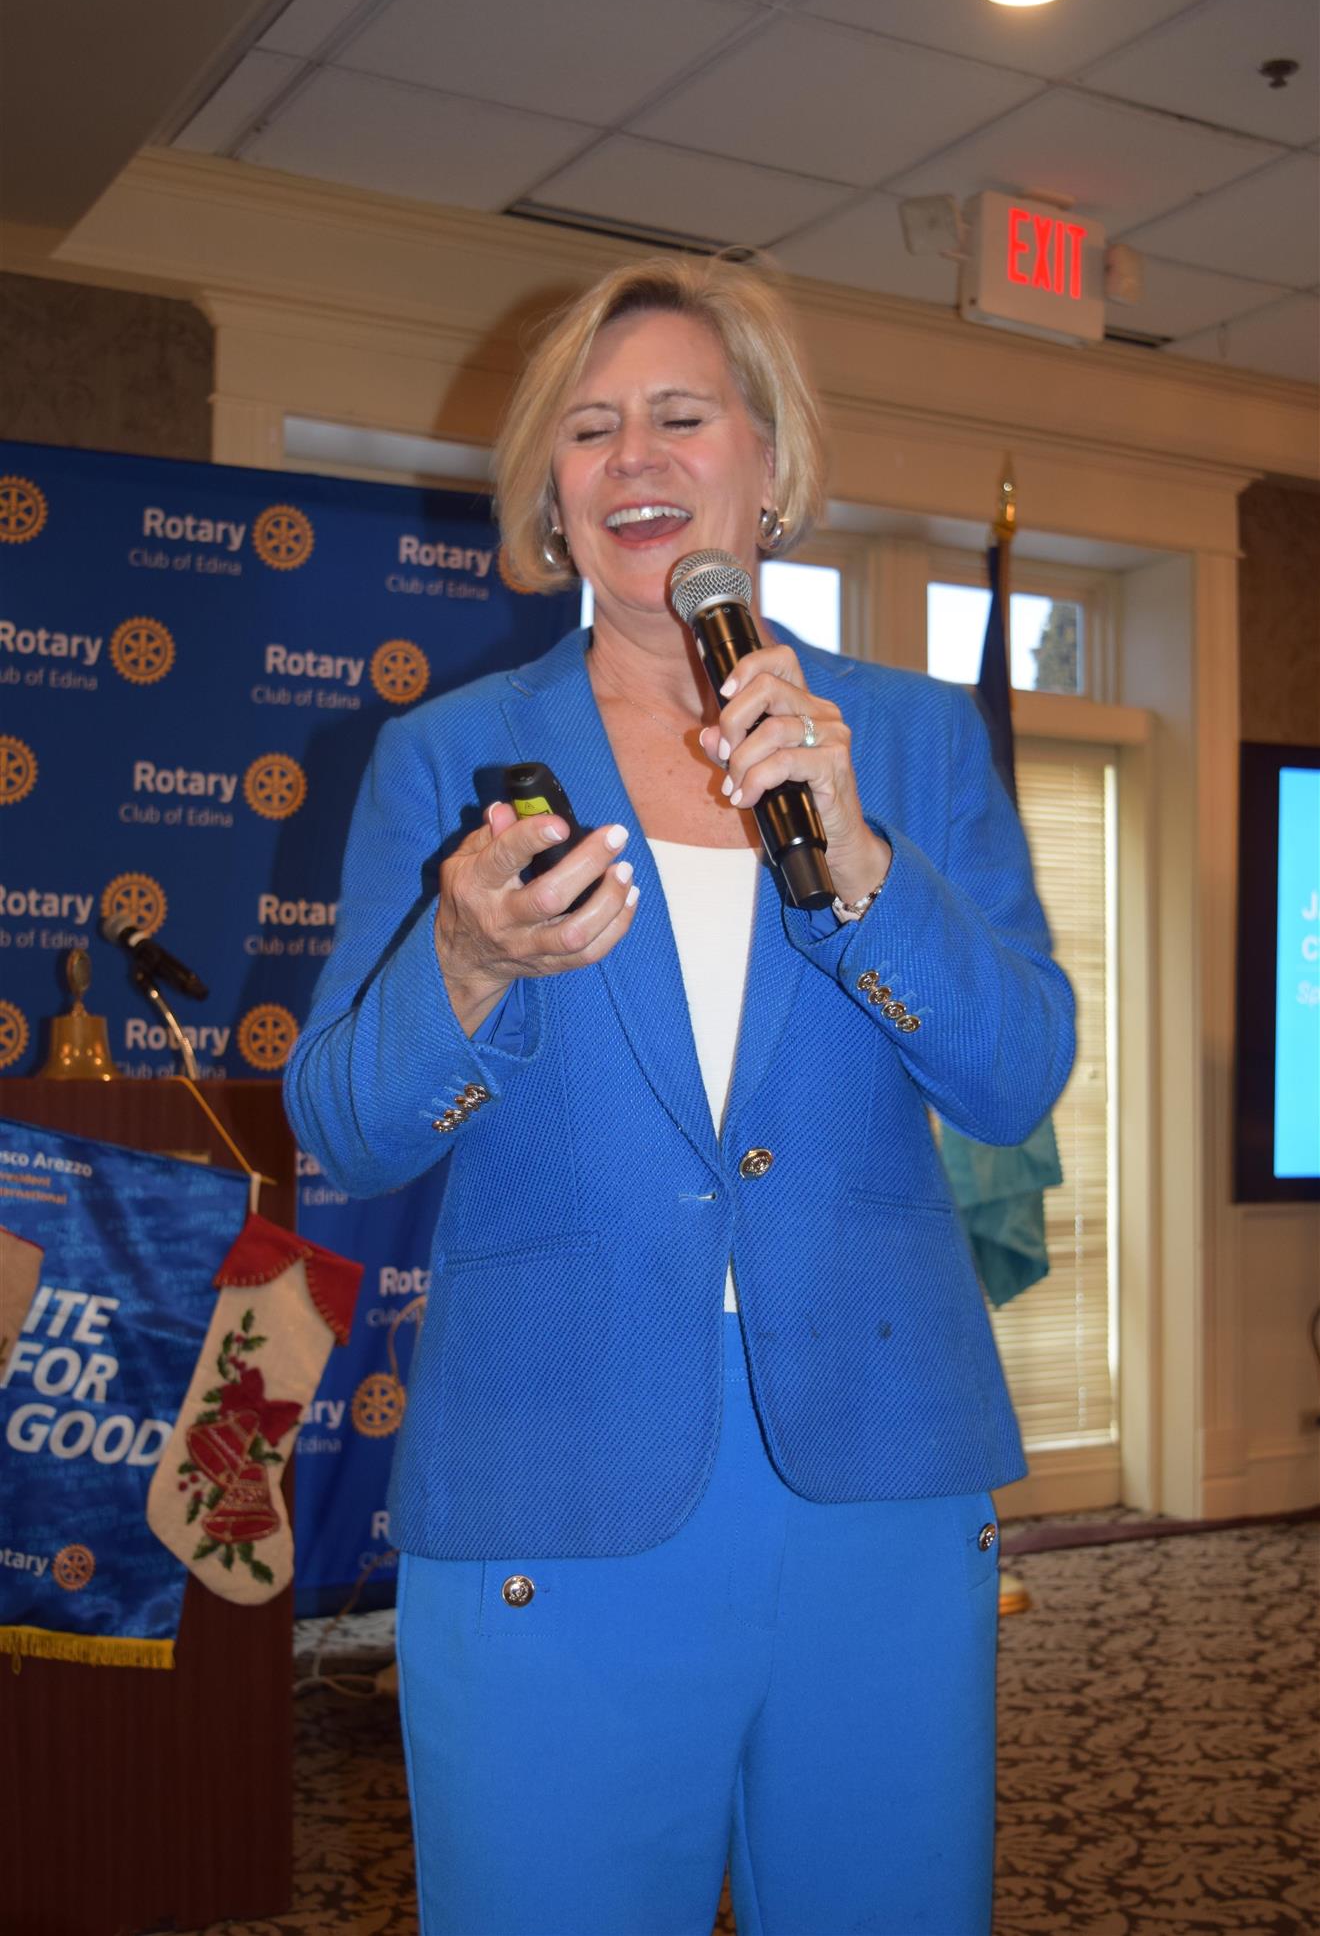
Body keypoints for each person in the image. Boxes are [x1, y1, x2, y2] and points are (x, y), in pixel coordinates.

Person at [284, 253, 1075, 1936]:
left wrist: (864, 866)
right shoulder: (447, 757)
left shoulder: (910, 741)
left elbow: (1017, 1079)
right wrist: (466, 965)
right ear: (550, 496)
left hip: (881, 1470)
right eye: (588, 430)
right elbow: (340, 1130)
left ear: (767, 465)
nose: (632, 457)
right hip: (550, 1480)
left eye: (680, 416)